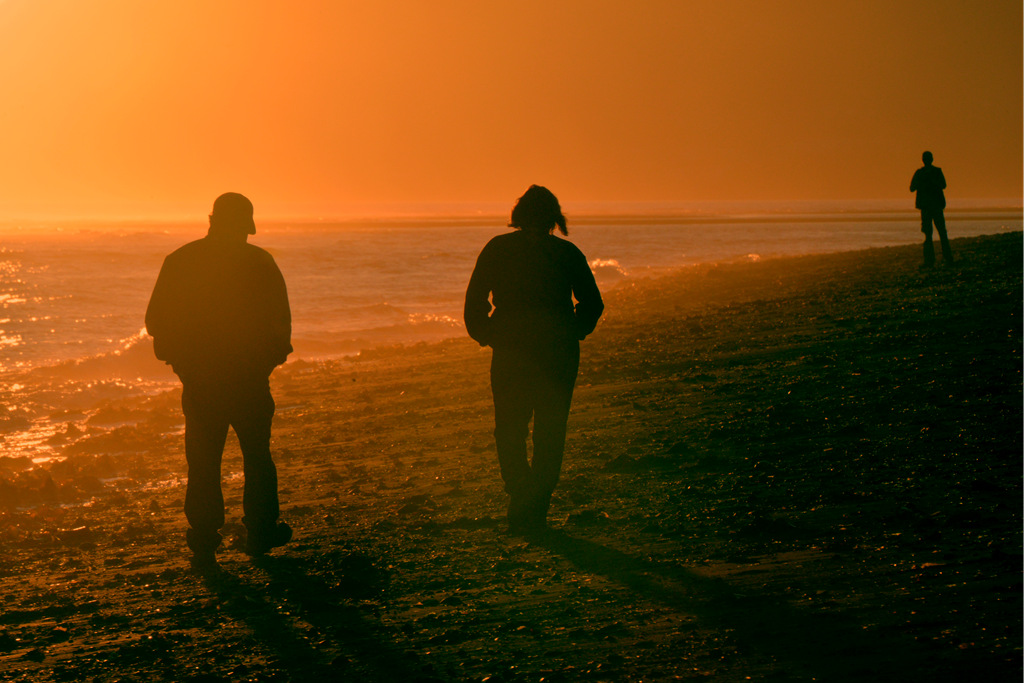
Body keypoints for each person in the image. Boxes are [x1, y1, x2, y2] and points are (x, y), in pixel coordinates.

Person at [146, 192, 293, 567]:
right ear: (245, 226)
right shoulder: (260, 262)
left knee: (203, 458)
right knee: (257, 456)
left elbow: (157, 321)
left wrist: (181, 363)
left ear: (212, 220)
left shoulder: (180, 260)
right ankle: (260, 531)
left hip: (202, 379)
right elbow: (280, 325)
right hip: (248, 378)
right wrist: (266, 362)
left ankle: (204, 539)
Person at [464, 185, 604, 533]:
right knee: (550, 430)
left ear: (518, 215)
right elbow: (593, 304)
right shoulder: (566, 253)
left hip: (512, 349)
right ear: (555, 218)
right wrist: (573, 332)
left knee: (509, 429)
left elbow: (474, 303)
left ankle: (522, 494)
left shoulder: (498, 248)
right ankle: (536, 501)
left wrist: (489, 335)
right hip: (557, 350)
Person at [910, 151, 953, 267]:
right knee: (940, 232)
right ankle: (947, 258)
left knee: (930, 234)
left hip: (928, 207)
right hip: (934, 206)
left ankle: (931, 260)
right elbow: (943, 185)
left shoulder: (921, 173)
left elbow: (912, 187)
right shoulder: (935, 172)